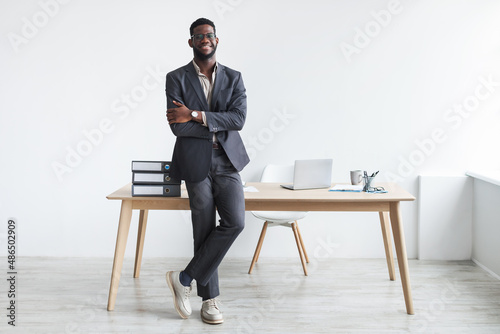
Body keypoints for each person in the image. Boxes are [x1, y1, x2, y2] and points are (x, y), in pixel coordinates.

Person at [164, 17, 249, 325]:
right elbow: (177, 126)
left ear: (216, 40)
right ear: (191, 42)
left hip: (227, 161)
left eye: (209, 35)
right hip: (195, 162)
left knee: (235, 222)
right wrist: (213, 121)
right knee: (203, 227)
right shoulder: (176, 78)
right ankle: (210, 301)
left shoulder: (234, 78)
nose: (204, 39)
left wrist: (196, 114)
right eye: (198, 35)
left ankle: (184, 278)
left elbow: (238, 119)